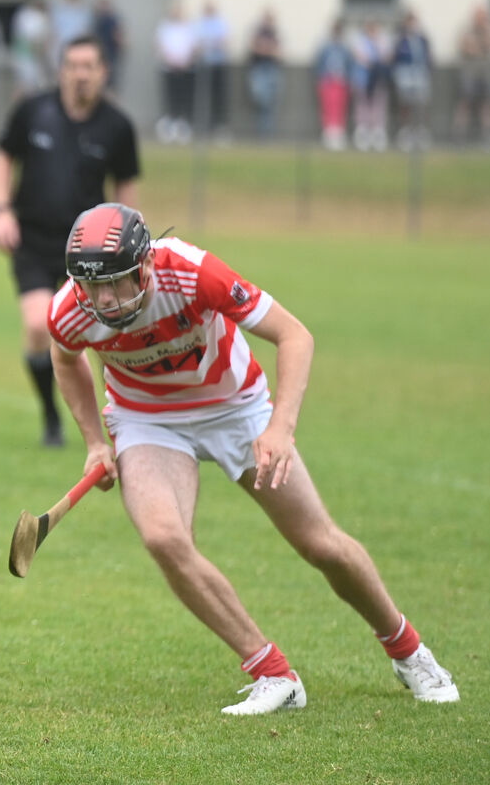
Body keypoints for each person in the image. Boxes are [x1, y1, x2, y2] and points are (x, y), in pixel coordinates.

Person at [48, 202, 460, 714]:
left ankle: (408, 649)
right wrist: (94, 440)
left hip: (235, 408)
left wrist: (280, 428)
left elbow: (295, 336)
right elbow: (65, 359)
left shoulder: (193, 274)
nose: (104, 301)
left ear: (147, 265)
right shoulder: (70, 309)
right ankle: (271, 672)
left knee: (320, 544)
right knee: (163, 537)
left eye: (117, 282)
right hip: (147, 419)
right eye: (93, 287)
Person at [0, 35, 140, 448]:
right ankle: (52, 416)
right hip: (33, 239)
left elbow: (126, 186)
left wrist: (132, 242)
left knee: (106, 339)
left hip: (93, 252)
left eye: (89, 66)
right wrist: (0, 210)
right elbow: (3, 156)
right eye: (73, 65)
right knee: (39, 325)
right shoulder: (33, 111)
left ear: (103, 72)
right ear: (62, 71)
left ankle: (121, 426)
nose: (81, 74)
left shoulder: (117, 126)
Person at [452, 5, 490, 144]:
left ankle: (488, 137)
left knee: (486, 104)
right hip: (469, 73)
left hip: (485, 73)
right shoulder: (467, 30)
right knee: (465, 103)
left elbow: (488, 45)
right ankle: (459, 136)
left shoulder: (488, 29)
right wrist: (475, 47)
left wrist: (479, 43)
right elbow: (467, 48)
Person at [155, 1, 196, 144]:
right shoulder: (165, 27)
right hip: (169, 68)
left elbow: (193, 47)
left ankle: (183, 125)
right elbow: (161, 46)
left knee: (184, 98)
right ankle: (169, 126)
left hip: (185, 69)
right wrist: (171, 60)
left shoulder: (188, 28)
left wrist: (185, 61)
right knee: (170, 97)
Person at [392, 9, 433, 151]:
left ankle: (420, 130)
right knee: (405, 103)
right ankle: (405, 131)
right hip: (405, 73)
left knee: (421, 102)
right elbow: (396, 57)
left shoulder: (422, 39)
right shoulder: (401, 39)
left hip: (419, 72)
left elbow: (428, 56)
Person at [350, 19, 392, 152]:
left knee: (379, 104)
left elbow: (386, 56)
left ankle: (377, 131)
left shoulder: (383, 41)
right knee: (362, 104)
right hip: (363, 79)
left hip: (378, 79)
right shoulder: (360, 41)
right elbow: (361, 57)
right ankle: (363, 131)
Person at [193, 0, 231, 141]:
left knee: (219, 97)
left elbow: (223, 42)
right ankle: (204, 126)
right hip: (204, 65)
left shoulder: (221, 23)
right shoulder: (199, 24)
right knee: (203, 97)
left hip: (218, 65)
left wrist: (210, 43)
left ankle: (220, 127)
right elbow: (197, 43)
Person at [314, 18, 354, 151]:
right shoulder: (325, 46)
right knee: (328, 107)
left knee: (340, 107)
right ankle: (329, 132)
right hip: (327, 81)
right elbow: (319, 63)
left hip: (341, 81)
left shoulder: (344, 47)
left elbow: (349, 64)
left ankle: (339, 132)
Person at [246, 8, 283, 139]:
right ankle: (261, 132)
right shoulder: (258, 32)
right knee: (260, 99)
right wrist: (268, 49)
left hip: (272, 69)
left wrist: (266, 48)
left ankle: (268, 134)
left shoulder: (275, 34)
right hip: (259, 69)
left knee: (271, 102)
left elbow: (279, 53)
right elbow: (256, 49)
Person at [9, 0, 52, 101]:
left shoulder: (40, 17)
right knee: (24, 87)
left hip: (34, 60)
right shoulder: (28, 16)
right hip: (26, 58)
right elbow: (31, 40)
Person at [92, 0, 125, 96]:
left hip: (110, 56)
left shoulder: (112, 19)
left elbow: (119, 37)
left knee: (110, 84)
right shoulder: (96, 19)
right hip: (98, 55)